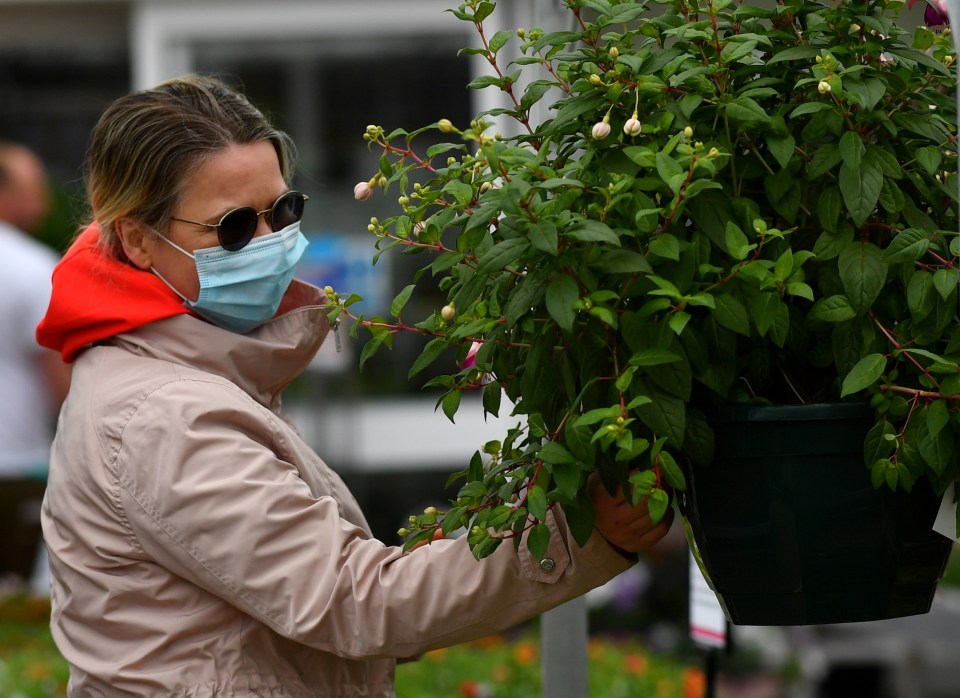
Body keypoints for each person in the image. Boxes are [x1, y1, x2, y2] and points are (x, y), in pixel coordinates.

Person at [35, 75, 674, 697]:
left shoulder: (181, 375)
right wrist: (580, 532)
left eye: (282, 210)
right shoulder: (161, 417)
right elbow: (357, 600)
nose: (272, 241)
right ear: (138, 239)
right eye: (233, 226)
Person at [0, 141, 70, 591]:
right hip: (16, 463)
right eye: (34, 189)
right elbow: (60, 374)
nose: (43, 202)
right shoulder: (33, 266)